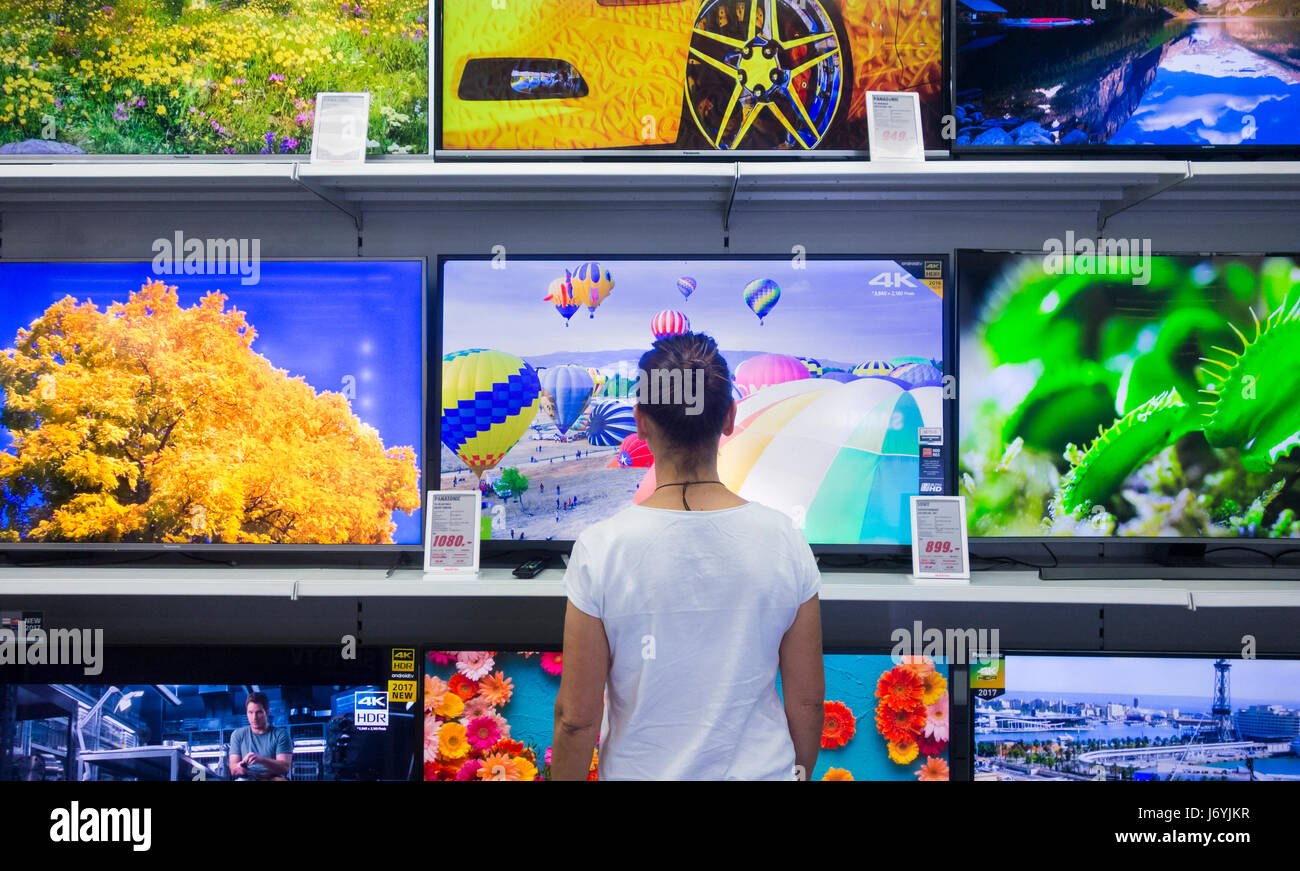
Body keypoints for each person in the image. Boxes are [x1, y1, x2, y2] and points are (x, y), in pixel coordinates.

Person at [552, 333, 823, 781]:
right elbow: (809, 702)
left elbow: (576, 719)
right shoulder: (785, 539)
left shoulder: (601, 548)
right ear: (730, 417)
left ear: (640, 422)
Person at [229, 692, 293, 781]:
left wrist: (261, 760)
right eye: (250, 712)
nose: (254, 717)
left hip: (273, 778)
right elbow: (233, 770)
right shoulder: (237, 735)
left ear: (267, 712)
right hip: (248, 778)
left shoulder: (280, 734)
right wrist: (240, 767)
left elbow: (284, 769)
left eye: (258, 712)